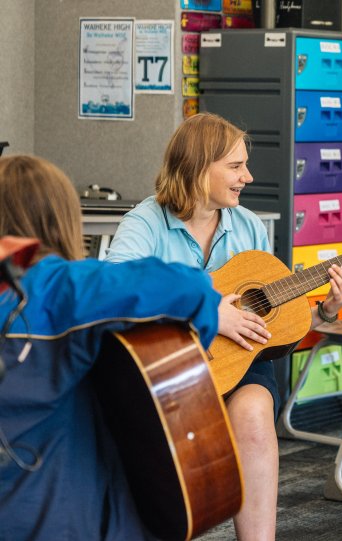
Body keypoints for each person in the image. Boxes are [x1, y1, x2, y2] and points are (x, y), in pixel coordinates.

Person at [105, 113, 342, 540]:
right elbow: (113, 293)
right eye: (236, 166)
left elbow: (275, 324)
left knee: (256, 413)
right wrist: (206, 310)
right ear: (199, 167)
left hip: (239, 363)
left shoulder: (249, 226)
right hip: (168, 360)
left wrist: (328, 311)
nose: (248, 176)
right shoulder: (144, 223)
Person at [0, 155, 223, 539]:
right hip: (61, 521)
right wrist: (180, 363)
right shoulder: (59, 286)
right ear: (58, 220)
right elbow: (193, 289)